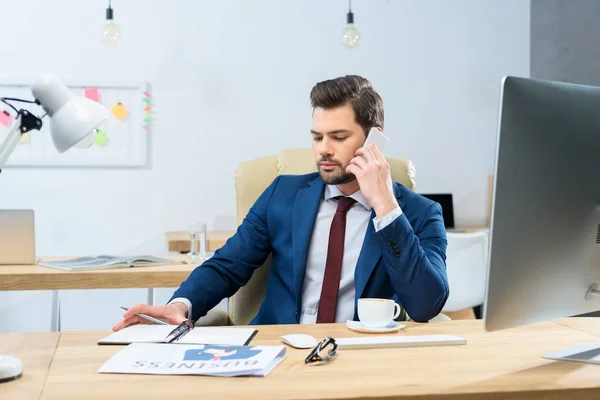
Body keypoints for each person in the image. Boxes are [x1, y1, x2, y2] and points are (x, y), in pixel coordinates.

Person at [113, 75, 449, 331]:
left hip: (361, 358)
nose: (324, 149)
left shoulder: (419, 214)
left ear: (374, 138)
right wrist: (182, 305)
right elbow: (228, 264)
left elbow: (424, 305)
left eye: (339, 137)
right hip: (280, 348)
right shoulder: (282, 195)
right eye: (317, 137)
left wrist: (386, 209)